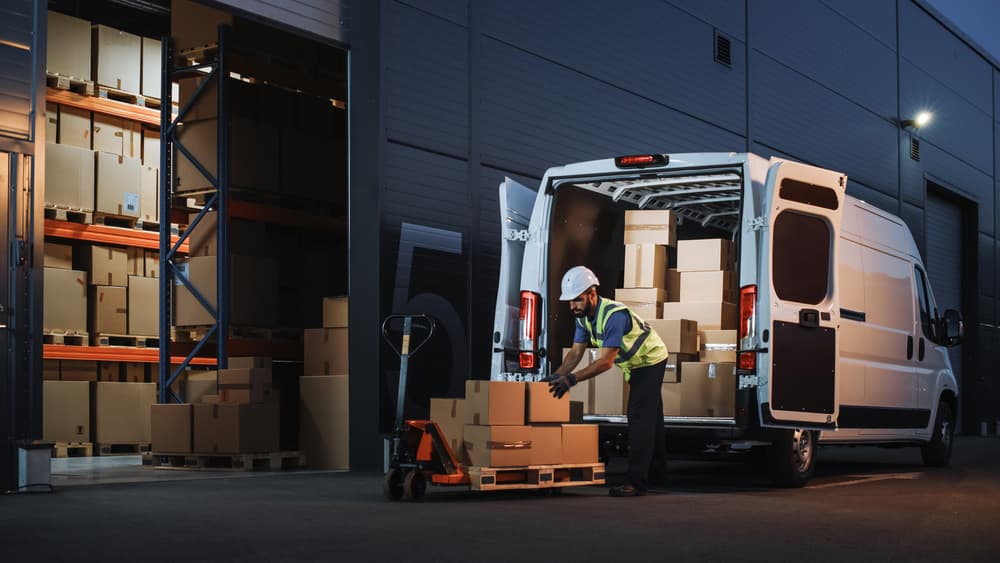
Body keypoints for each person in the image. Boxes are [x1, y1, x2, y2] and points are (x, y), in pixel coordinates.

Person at [548, 266, 670, 497]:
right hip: (635, 364)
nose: (573, 306)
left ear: (592, 294)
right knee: (652, 419)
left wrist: (571, 380)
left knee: (639, 419)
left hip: (649, 361)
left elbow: (606, 362)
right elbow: (575, 354)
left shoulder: (613, 316)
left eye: (577, 300)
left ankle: (636, 483)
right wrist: (555, 377)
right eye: (570, 301)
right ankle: (657, 474)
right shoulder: (583, 318)